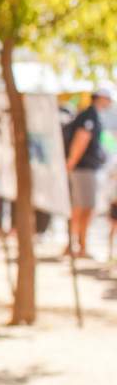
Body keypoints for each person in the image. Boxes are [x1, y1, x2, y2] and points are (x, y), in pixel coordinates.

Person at [64, 86, 112, 259]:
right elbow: (81, 139)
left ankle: (74, 244)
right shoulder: (89, 115)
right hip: (83, 169)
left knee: (82, 207)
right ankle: (79, 245)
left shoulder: (92, 115)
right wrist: (71, 162)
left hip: (84, 168)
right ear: (100, 98)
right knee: (83, 208)